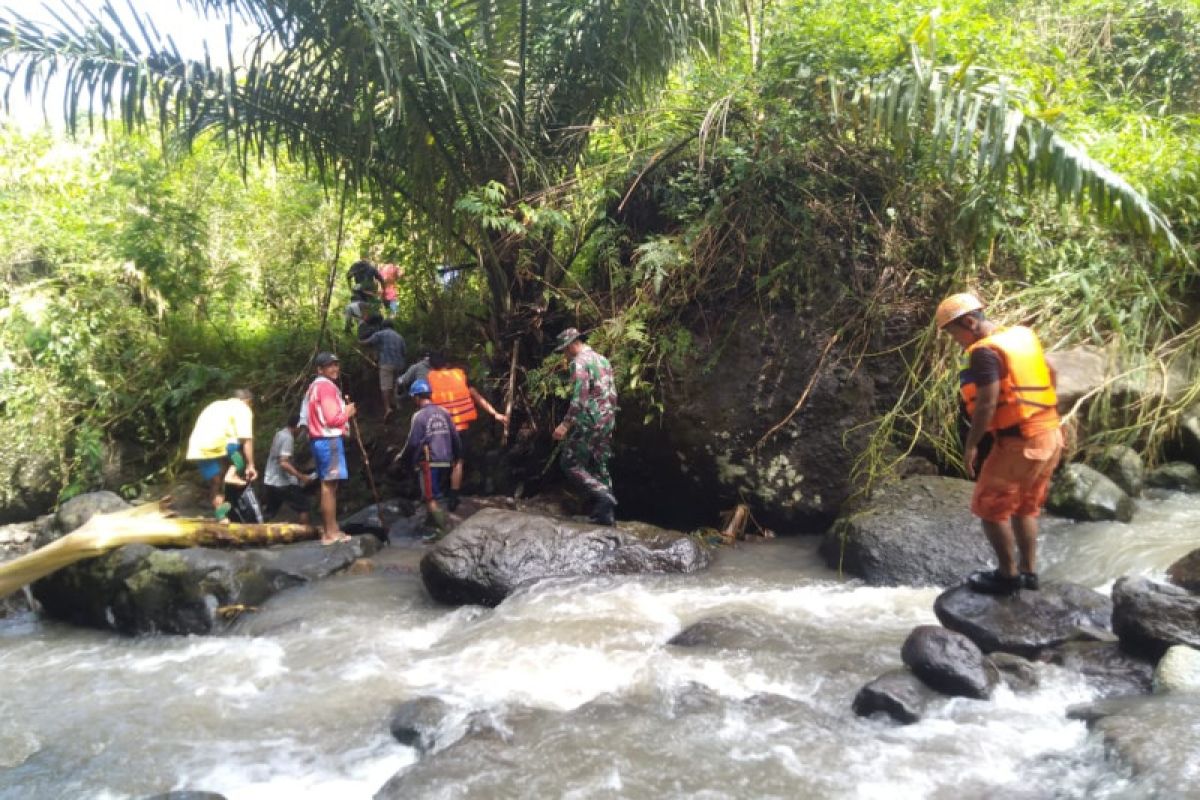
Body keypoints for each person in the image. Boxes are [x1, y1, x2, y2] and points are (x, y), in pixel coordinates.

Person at [936, 292, 1063, 594]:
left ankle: (1007, 576)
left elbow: (986, 404)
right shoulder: (1020, 336)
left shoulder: (984, 353)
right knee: (1025, 507)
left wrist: (971, 445)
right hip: (1050, 433)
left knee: (989, 509)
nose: (958, 342)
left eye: (955, 334)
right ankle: (1029, 574)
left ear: (969, 322)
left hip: (1020, 442)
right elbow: (1053, 371)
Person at [552, 328, 618, 525]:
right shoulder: (602, 359)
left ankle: (603, 494)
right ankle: (606, 515)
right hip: (607, 419)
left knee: (569, 462)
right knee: (600, 462)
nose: (564, 354)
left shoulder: (579, 362)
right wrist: (609, 418)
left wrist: (565, 425)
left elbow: (580, 397)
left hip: (589, 420)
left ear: (573, 344)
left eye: (565, 350)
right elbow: (613, 393)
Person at [427, 352, 507, 510]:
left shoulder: (429, 380)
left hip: (440, 429)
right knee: (458, 462)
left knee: (439, 460)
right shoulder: (459, 376)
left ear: (431, 366)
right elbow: (477, 397)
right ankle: (453, 497)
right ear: (448, 364)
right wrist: (495, 414)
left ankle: (437, 494)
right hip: (461, 428)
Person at [304, 352, 358, 544]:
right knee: (329, 486)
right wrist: (348, 412)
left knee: (327, 485)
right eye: (329, 366)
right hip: (329, 440)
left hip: (319, 440)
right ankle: (330, 534)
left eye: (336, 365)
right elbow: (332, 418)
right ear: (320, 370)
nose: (334, 369)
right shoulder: (326, 387)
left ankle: (332, 529)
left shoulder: (314, 387)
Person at [185, 390, 257, 520]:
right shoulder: (243, 408)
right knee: (240, 452)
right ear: (247, 401)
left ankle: (221, 517)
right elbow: (246, 439)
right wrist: (250, 465)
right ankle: (232, 474)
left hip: (198, 446)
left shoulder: (215, 405)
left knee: (216, 483)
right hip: (221, 443)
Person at [404, 378, 462, 539]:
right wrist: (457, 456)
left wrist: (407, 462)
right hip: (447, 459)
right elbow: (455, 436)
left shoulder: (419, 416)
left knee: (430, 498)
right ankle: (432, 523)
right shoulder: (444, 412)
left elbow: (413, 443)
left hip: (430, 462)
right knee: (437, 494)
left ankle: (444, 533)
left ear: (416, 397)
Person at [262, 417, 315, 525]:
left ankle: (257, 533)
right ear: (297, 427)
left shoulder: (279, 434)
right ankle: (305, 534)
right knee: (304, 507)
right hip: (282, 483)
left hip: (270, 480)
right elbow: (283, 463)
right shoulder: (288, 438)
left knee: (269, 512)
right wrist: (301, 477)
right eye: (302, 429)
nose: (302, 432)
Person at [359, 319, 407, 419]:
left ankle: (387, 408)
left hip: (386, 363)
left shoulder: (380, 334)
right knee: (395, 385)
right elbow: (404, 352)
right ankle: (397, 405)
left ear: (383, 326)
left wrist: (359, 342)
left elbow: (368, 342)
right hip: (399, 364)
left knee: (385, 386)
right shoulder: (399, 337)